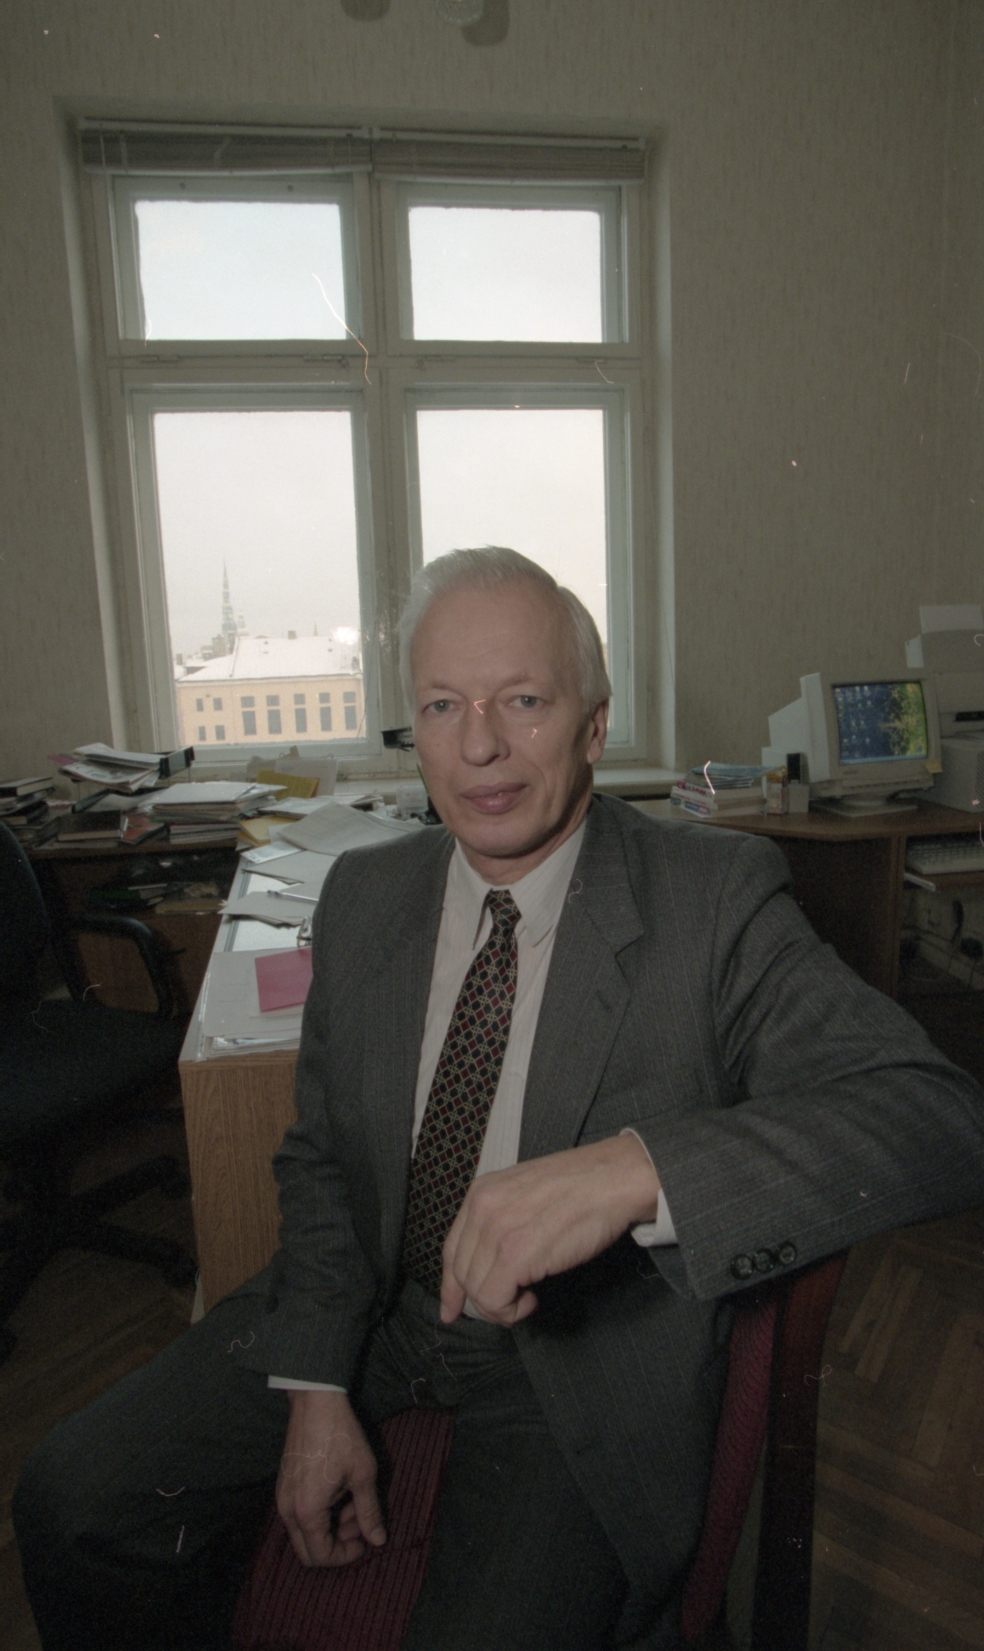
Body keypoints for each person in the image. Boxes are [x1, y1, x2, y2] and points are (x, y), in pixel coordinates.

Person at [14, 547, 984, 1651]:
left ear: (594, 724)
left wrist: (636, 1171)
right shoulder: (365, 896)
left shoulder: (714, 899)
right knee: (70, 1501)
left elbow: (936, 1113)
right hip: (375, 1305)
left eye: (523, 699)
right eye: (443, 705)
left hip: (570, 1358)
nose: (479, 746)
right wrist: (315, 1380)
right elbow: (324, 1157)